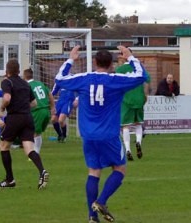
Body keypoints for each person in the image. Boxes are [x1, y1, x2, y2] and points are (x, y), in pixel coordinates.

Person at [55, 46, 147, 223]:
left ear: (95, 62)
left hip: (88, 135)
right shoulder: (115, 80)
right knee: (120, 168)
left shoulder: (84, 79)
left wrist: (71, 59)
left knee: (94, 171)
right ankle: (101, 201)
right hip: (108, 135)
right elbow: (141, 76)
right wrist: (130, 57)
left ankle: (92, 216)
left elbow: (60, 79)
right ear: (112, 64)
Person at [0, 59, 49, 189]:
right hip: (28, 118)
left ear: (7, 71)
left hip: (15, 118)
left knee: (4, 146)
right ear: (19, 71)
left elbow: (7, 98)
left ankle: (10, 180)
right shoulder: (25, 84)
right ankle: (42, 171)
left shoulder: (6, 82)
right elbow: (34, 104)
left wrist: (3, 107)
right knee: (29, 149)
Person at [116, 50, 150, 161]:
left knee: (125, 126)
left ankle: (127, 150)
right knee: (138, 124)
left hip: (126, 100)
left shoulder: (119, 70)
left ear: (123, 56)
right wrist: (145, 95)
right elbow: (146, 81)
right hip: (139, 98)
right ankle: (138, 142)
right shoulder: (139, 67)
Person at [22, 68, 55, 154]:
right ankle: (34, 151)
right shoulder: (40, 83)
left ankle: (35, 153)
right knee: (37, 132)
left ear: (24, 76)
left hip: (37, 110)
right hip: (46, 110)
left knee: (34, 133)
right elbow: (50, 95)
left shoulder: (27, 86)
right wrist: (52, 108)